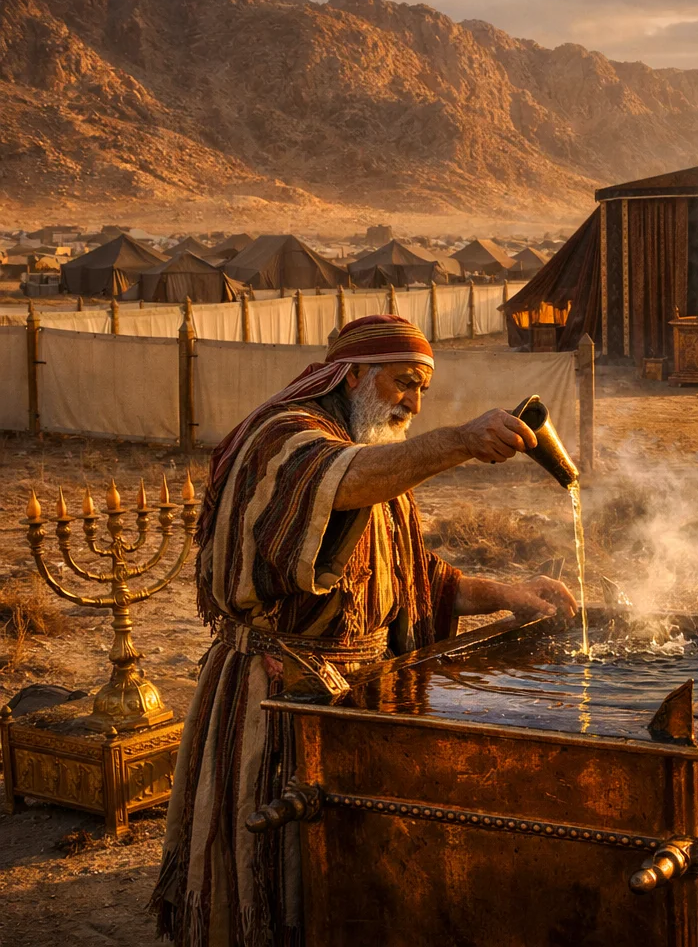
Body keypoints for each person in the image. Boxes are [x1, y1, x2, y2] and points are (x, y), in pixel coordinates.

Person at [152, 315, 576, 946]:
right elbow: (338, 480)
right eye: (403, 383)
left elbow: (413, 581)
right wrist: (459, 441)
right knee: (274, 875)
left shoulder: (378, 462)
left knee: (347, 879)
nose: (413, 401)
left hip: (357, 699)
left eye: (423, 391)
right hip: (276, 697)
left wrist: (510, 594)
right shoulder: (284, 440)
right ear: (351, 375)